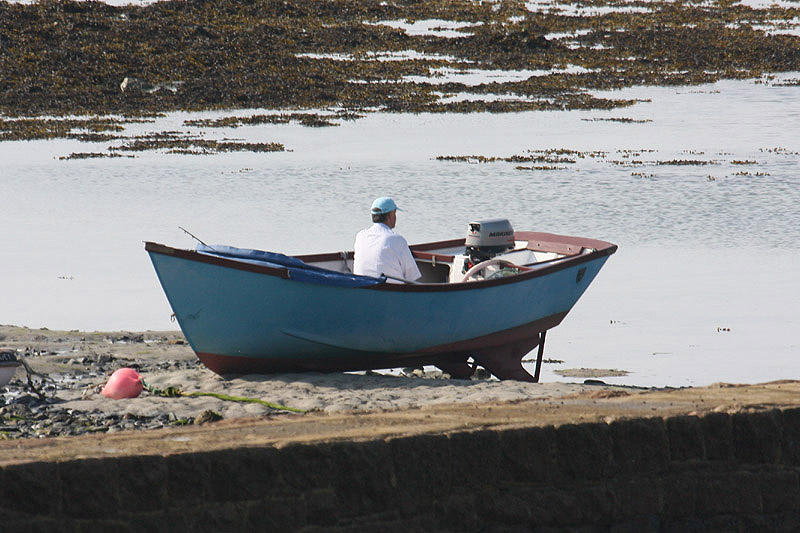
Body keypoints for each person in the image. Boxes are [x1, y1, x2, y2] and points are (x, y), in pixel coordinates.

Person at [353, 197, 422, 283]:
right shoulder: (397, 240)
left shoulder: (360, 236)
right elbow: (411, 276)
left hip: (363, 287)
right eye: (394, 213)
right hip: (392, 291)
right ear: (389, 216)